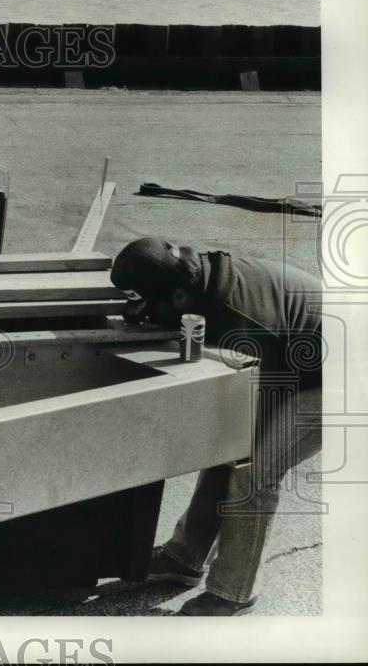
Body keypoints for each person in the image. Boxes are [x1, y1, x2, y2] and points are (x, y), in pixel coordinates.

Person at [110, 237, 322, 615]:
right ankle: (185, 558)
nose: (138, 316)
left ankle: (234, 592)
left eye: (144, 306)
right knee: (226, 446)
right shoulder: (196, 282)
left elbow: (259, 406)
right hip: (295, 357)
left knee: (254, 469)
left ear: (177, 297)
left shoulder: (247, 322)